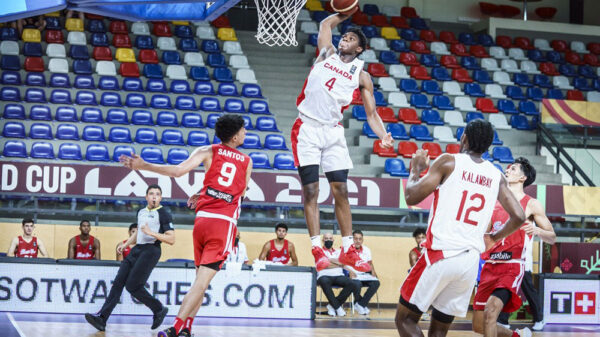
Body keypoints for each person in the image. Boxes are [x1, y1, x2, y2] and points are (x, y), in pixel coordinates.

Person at [117, 115, 251, 337]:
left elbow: (178, 172)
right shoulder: (247, 161)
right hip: (223, 224)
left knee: (201, 281)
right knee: (201, 283)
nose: (246, 133)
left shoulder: (208, 150)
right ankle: (176, 327)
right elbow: (239, 196)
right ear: (235, 135)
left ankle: (187, 328)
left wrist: (144, 165)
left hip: (202, 222)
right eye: (244, 130)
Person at [395, 119, 526, 337]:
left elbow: (411, 195)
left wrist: (415, 170)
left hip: (441, 254)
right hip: (469, 263)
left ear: (463, 137)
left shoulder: (448, 161)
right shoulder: (496, 175)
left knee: (405, 319)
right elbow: (519, 216)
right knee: (439, 329)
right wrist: (494, 237)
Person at [292, 10, 394, 272]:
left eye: (350, 38)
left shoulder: (361, 75)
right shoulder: (326, 54)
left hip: (333, 132)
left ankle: (348, 248)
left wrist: (383, 135)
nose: (344, 39)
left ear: (359, 48)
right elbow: (326, 24)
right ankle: (317, 248)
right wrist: (345, 11)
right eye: (344, 36)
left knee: (342, 190)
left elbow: (372, 114)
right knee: (312, 191)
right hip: (307, 128)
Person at [472, 157, 556, 337]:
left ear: (522, 178)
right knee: (479, 325)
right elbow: (485, 236)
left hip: (511, 266)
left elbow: (552, 237)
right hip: (489, 266)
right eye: (508, 168)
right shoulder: (494, 201)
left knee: (491, 314)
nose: (508, 170)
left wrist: (536, 230)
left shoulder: (531, 203)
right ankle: (517, 336)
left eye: (513, 169)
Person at [85, 185, 174, 331]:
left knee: (133, 286)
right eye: (151, 194)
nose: (154, 196)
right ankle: (102, 318)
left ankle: (158, 308)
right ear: (146, 197)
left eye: (157, 194)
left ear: (160, 198)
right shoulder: (141, 212)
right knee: (118, 282)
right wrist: (126, 244)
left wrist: (151, 233)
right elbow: (138, 231)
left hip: (151, 250)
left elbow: (171, 239)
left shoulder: (164, 213)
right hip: (137, 248)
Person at [317, 232, 359, 317]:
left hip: (338, 275)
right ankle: (338, 308)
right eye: (326, 239)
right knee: (324, 281)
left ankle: (332, 306)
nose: (328, 240)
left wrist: (330, 260)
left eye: (330, 239)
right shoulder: (318, 251)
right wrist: (338, 263)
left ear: (333, 240)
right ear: (322, 240)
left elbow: (343, 262)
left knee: (352, 283)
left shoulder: (338, 251)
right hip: (324, 275)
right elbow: (324, 265)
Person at [347, 230, 379, 315]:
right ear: (352, 240)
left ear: (362, 240)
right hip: (353, 274)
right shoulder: (348, 249)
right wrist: (350, 272)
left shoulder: (367, 250)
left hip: (364, 274)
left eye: (360, 239)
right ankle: (360, 304)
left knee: (376, 283)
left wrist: (373, 271)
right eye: (355, 238)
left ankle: (361, 304)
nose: (358, 241)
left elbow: (369, 263)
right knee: (357, 284)